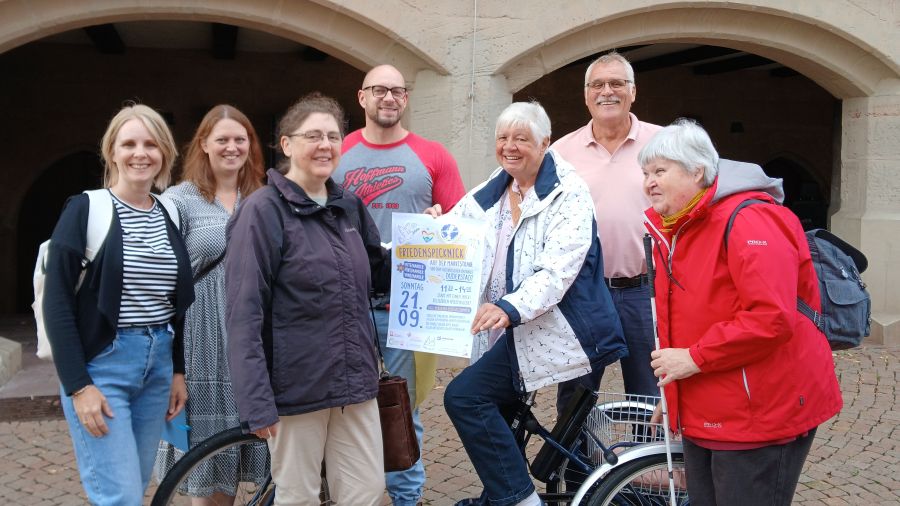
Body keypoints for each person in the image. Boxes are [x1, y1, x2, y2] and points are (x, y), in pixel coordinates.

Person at [641, 119, 843, 505]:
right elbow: (686, 322)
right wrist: (675, 393)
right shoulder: (676, 228)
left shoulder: (750, 219)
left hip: (759, 411)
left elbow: (771, 317)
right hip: (712, 405)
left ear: (696, 171)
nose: (649, 182)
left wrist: (693, 358)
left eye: (660, 171)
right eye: (646, 173)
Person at [435, 101, 627, 506]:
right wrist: (434, 227)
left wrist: (509, 307)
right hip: (511, 328)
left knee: (465, 396)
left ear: (545, 142)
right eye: (503, 138)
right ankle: (501, 496)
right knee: (500, 417)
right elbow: (458, 226)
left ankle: (520, 499)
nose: (510, 146)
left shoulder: (569, 194)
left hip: (560, 328)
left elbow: (556, 272)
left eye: (521, 138)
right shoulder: (498, 185)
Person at [225, 92, 391, 505]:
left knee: (367, 493)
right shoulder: (263, 211)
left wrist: (429, 240)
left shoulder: (347, 205)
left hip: (354, 383)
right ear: (286, 144)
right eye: (313, 136)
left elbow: (380, 273)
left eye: (333, 137)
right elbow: (244, 313)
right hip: (297, 389)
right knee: (298, 497)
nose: (325, 145)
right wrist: (256, 402)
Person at [42, 103, 195, 504]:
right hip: (103, 367)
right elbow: (56, 303)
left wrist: (177, 370)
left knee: (134, 488)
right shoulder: (86, 209)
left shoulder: (169, 212)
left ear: (164, 153)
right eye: (129, 144)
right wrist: (79, 386)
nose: (140, 153)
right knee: (120, 497)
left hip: (157, 368)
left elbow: (174, 303)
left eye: (151, 144)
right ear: (112, 152)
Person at [333, 63, 465, 506]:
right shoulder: (338, 152)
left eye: (397, 90)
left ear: (406, 99)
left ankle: (407, 498)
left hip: (405, 307)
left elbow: (461, 226)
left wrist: (439, 224)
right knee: (339, 408)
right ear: (362, 97)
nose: (388, 97)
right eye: (379, 90)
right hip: (343, 304)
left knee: (402, 409)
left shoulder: (433, 155)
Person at [153, 104, 268, 503]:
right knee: (205, 456)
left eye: (240, 139)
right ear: (204, 144)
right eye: (222, 139)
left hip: (253, 339)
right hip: (200, 340)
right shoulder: (179, 200)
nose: (232, 147)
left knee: (245, 443)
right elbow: (164, 279)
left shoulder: (263, 198)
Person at [551, 51, 662, 410]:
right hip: (583, 290)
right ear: (586, 95)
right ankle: (575, 451)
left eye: (616, 83)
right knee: (576, 395)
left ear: (633, 91)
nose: (607, 92)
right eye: (597, 85)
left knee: (651, 394)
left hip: (646, 290)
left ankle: (647, 451)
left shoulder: (664, 144)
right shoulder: (561, 152)